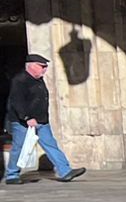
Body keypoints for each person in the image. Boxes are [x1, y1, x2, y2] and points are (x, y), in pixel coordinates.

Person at [4, 54, 85, 185]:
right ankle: (12, 174)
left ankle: (65, 171)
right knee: (19, 147)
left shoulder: (39, 80)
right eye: (42, 66)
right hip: (23, 122)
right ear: (32, 66)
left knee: (51, 145)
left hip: (41, 121)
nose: (44, 70)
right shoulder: (20, 80)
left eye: (45, 67)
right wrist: (27, 117)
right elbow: (16, 102)